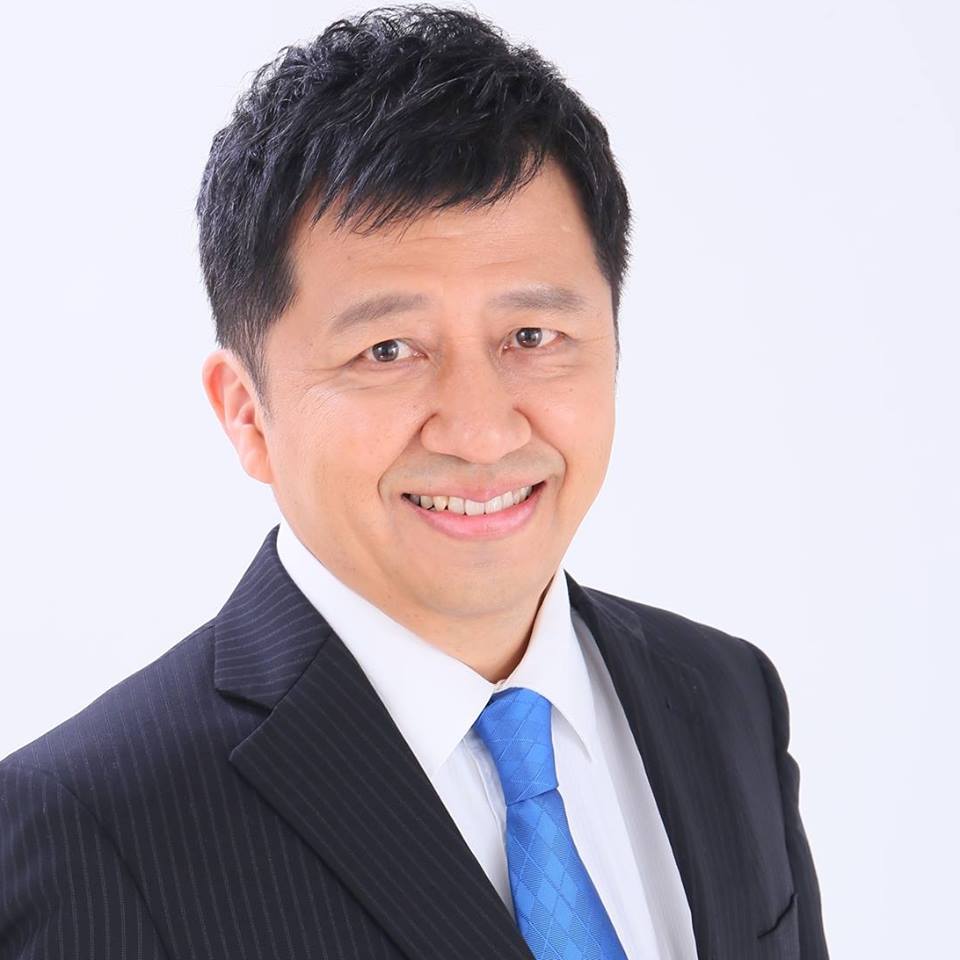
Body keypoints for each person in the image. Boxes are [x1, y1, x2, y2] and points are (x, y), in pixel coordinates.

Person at [0, 5, 829, 958]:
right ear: (246, 413)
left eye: (532, 336)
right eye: (388, 350)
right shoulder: (87, 830)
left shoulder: (725, 697)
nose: (481, 430)